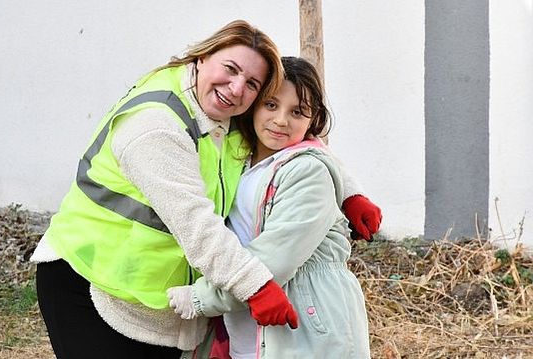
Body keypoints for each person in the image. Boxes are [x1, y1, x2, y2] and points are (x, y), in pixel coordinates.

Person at [30, 20, 380, 358]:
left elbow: (304, 142)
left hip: (159, 300)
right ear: (201, 57)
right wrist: (253, 286)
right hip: (91, 282)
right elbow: (196, 223)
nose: (236, 87)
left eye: (253, 84)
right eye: (229, 68)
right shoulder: (157, 127)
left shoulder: (228, 114)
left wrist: (349, 191)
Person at [169, 56, 371, 358]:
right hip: (246, 326)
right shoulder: (236, 157)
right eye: (271, 105)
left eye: (298, 112)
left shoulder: (308, 172)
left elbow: (276, 257)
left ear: (312, 120)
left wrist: (201, 297)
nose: (281, 121)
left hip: (306, 327)